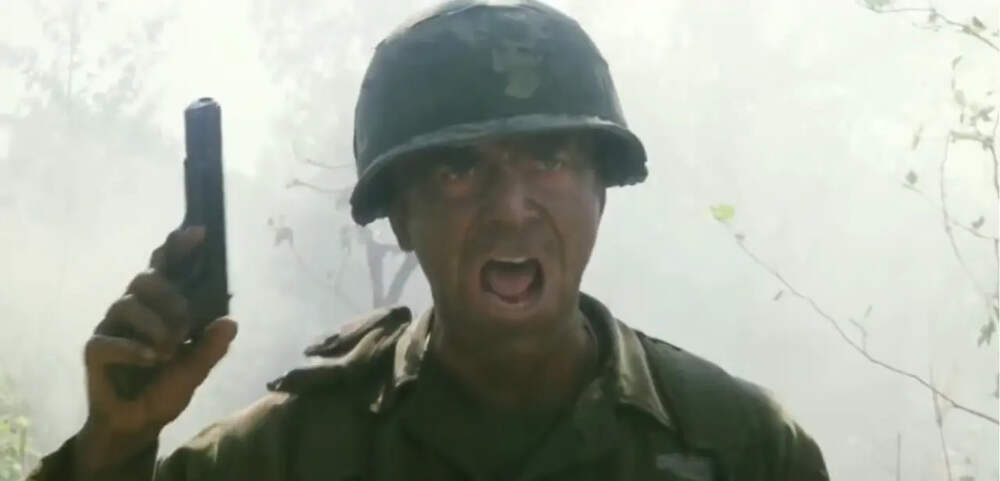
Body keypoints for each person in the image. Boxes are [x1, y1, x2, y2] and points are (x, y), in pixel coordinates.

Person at [28, 1, 829, 480]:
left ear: (601, 192)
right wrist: (113, 447)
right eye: (456, 171)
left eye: (550, 160)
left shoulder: (743, 448)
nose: (509, 208)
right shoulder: (288, 457)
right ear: (400, 216)